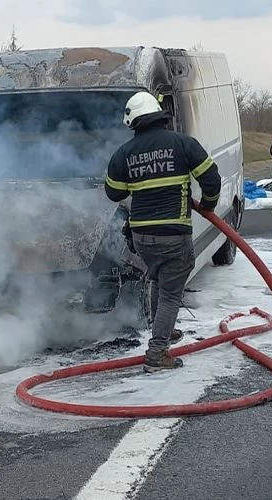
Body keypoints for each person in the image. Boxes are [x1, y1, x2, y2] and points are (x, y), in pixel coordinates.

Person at [105, 91, 221, 373]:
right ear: (159, 114)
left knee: (158, 278)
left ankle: (164, 331)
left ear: (133, 122)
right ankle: (157, 353)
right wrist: (207, 205)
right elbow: (211, 178)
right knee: (171, 292)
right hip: (173, 233)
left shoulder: (124, 153)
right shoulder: (182, 144)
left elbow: (113, 192)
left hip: (141, 237)